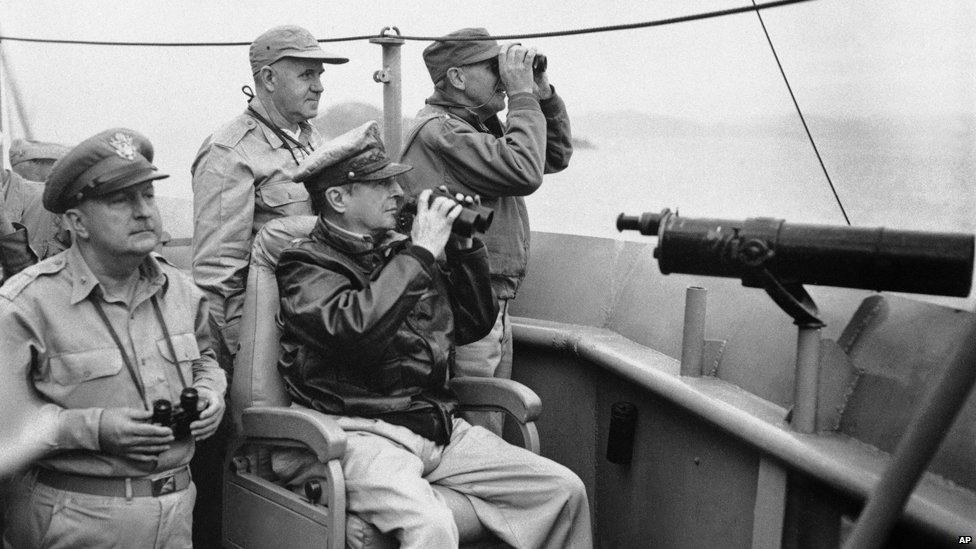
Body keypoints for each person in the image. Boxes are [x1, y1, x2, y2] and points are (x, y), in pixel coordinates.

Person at [272, 122, 591, 548]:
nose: (397, 193)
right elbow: (354, 329)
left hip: (434, 426)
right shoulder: (305, 265)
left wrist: (463, 246)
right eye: (380, 184)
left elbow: (472, 324)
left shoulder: (397, 250)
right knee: (432, 526)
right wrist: (421, 252)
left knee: (563, 491)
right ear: (338, 198)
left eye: (395, 181)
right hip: (359, 433)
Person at [0, 128, 227, 548]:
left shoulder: (181, 290)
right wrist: (96, 428)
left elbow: (204, 358)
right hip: (79, 519)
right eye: (120, 200)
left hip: (177, 510)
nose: (143, 212)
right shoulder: (25, 304)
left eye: (147, 196)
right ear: (76, 222)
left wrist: (211, 392)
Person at [398, 28, 573, 426]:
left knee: (493, 415)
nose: (503, 76)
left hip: (490, 297)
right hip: (464, 303)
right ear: (457, 78)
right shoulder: (441, 131)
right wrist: (522, 98)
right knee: (478, 423)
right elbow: (526, 171)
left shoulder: (474, 125)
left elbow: (554, 155)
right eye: (492, 67)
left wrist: (541, 94)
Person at [191, 24, 348, 363]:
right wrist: (244, 361)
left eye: (319, 75)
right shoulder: (229, 152)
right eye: (307, 75)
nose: (319, 86)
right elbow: (218, 279)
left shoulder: (313, 141)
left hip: (320, 323)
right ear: (269, 79)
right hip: (268, 334)